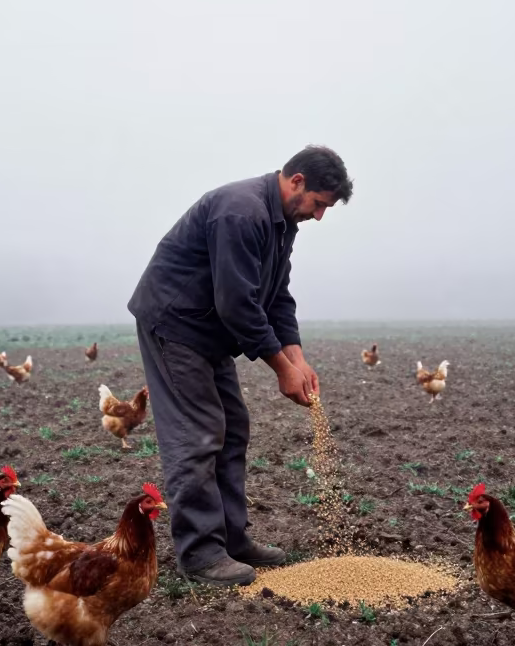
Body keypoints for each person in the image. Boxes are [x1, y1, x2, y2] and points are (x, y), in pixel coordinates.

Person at [128, 145, 353, 586]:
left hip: (209, 330)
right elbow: (236, 303)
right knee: (199, 433)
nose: (319, 216)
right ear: (297, 181)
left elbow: (276, 295)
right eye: (319, 204)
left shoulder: (284, 222)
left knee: (233, 427)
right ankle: (200, 553)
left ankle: (231, 539)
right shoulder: (241, 212)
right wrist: (281, 368)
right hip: (176, 324)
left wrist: (297, 357)